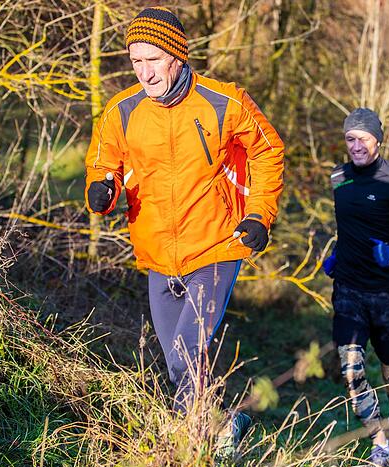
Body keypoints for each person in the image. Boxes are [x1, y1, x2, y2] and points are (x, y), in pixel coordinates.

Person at [84, 7, 284, 443]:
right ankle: (224, 425)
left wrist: (258, 213)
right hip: (158, 252)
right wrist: (103, 188)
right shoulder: (121, 110)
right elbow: (105, 163)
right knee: (178, 363)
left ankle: (186, 446)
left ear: (177, 55)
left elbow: (268, 151)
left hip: (216, 245)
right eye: (135, 61)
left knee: (186, 349)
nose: (144, 72)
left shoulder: (224, 102)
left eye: (152, 59)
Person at [324, 108, 389, 467]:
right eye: (350, 138)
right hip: (349, 287)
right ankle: (379, 443)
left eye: (363, 138)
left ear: (378, 140)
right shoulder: (339, 177)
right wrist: (337, 254)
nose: (356, 146)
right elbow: (348, 227)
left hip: (388, 294)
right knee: (351, 370)